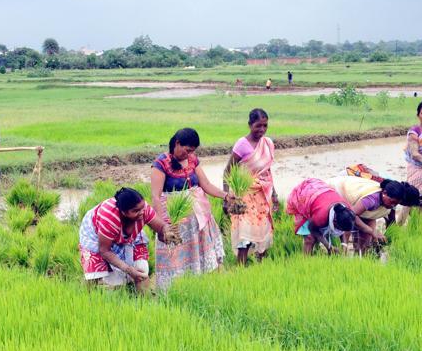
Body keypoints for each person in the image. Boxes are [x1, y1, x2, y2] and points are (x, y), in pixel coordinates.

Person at [150, 128, 232, 289]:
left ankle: (199, 287)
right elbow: (156, 196)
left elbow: (206, 184)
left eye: (192, 151)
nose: (189, 154)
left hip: (197, 220)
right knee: (175, 255)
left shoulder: (193, 160)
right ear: (177, 143)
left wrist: (226, 196)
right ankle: (173, 290)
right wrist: (162, 226)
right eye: (187, 150)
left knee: (198, 253)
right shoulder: (161, 164)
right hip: (175, 221)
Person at [78, 187, 171, 292]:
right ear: (124, 212)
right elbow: (104, 251)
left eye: (142, 208)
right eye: (136, 211)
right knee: (95, 274)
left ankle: (145, 299)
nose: (142, 212)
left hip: (130, 236)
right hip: (97, 236)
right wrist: (129, 270)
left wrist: (167, 231)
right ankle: (86, 295)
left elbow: (161, 226)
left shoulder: (143, 209)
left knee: (141, 270)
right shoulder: (109, 218)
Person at [223, 108, 279, 265]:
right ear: (250, 125)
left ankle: (260, 266)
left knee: (263, 229)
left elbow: (267, 171)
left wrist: (274, 194)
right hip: (244, 194)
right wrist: (226, 198)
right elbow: (228, 172)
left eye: (265, 125)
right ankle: (241, 267)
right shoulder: (242, 144)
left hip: (262, 194)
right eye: (258, 125)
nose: (262, 129)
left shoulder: (268, 143)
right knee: (245, 232)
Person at [285, 178, 384, 255]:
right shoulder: (321, 217)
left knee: (325, 237)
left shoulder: (348, 212)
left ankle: (318, 253)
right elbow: (312, 228)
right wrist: (328, 246)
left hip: (323, 194)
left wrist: (373, 233)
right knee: (310, 238)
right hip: (306, 195)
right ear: (335, 221)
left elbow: (357, 227)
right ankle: (306, 263)